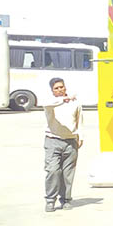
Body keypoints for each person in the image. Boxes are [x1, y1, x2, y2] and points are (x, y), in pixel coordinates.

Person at [43, 77, 82, 212]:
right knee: (53, 171)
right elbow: (48, 104)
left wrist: (80, 136)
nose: (60, 90)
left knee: (68, 173)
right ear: (52, 91)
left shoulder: (75, 103)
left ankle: (66, 199)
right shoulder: (50, 103)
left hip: (70, 141)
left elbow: (79, 120)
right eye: (56, 88)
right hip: (53, 140)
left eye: (61, 87)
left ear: (65, 87)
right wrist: (63, 100)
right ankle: (50, 200)